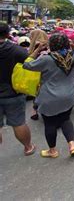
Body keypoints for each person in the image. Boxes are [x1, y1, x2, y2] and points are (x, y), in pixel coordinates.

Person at [23, 33, 74, 158]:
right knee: (66, 119)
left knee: (50, 124)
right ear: (68, 44)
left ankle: (52, 151)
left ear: (51, 45)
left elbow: (27, 64)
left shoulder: (46, 59)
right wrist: (73, 45)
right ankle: (72, 145)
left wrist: (38, 49)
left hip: (49, 97)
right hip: (70, 96)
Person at [0, 23, 36, 155]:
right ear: (8, 34)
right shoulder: (16, 50)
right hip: (13, 93)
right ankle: (28, 147)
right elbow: (30, 64)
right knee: (18, 123)